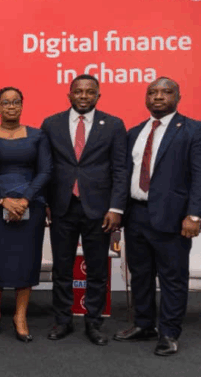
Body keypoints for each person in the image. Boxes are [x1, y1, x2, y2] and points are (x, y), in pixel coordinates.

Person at [114, 77, 201, 356]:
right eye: (152, 92)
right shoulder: (135, 132)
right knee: (140, 275)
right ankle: (144, 325)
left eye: (166, 92)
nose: (158, 97)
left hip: (174, 218)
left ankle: (169, 333)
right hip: (136, 215)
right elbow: (125, 175)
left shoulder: (195, 129)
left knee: (172, 278)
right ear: (146, 98)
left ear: (178, 97)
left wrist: (194, 216)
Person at [40, 74, 128, 346]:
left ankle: (94, 322)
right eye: (78, 91)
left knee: (97, 270)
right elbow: (44, 167)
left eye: (90, 92)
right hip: (62, 208)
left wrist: (116, 207)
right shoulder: (51, 124)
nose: (84, 96)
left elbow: (120, 170)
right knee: (62, 269)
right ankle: (62, 320)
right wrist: (45, 202)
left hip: (100, 210)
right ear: (69, 94)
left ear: (98, 96)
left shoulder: (113, 125)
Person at [0, 87, 51, 343]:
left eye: (16, 102)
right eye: (5, 102)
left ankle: (20, 316)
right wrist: (3, 199)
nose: (11, 106)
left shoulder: (38, 135)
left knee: (27, 260)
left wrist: (25, 200)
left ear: (22, 105)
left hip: (30, 206)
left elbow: (45, 171)